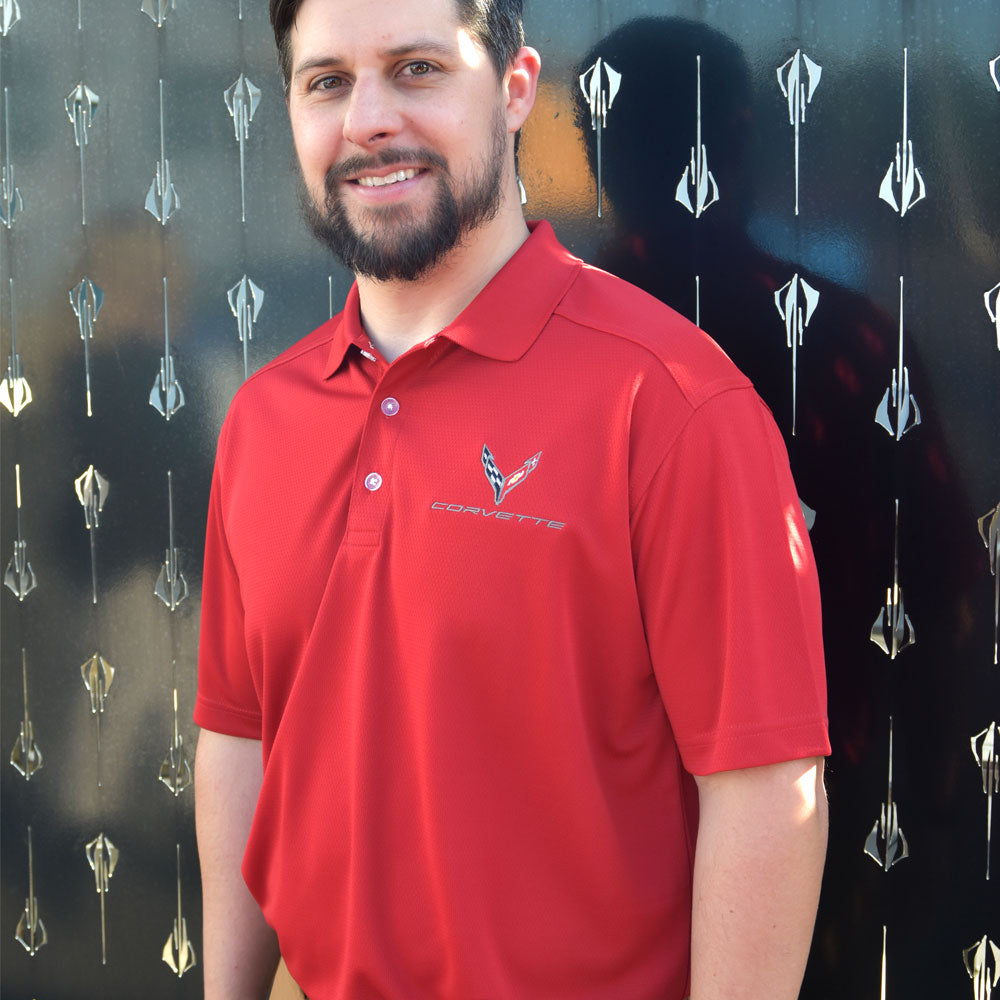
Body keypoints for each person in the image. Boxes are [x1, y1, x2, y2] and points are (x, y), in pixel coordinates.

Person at [193, 0, 831, 997]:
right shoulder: (263, 418)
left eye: (416, 69)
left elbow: (763, 789)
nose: (367, 121)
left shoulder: (669, 404)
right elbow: (241, 738)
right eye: (327, 82)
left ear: (516, 88)